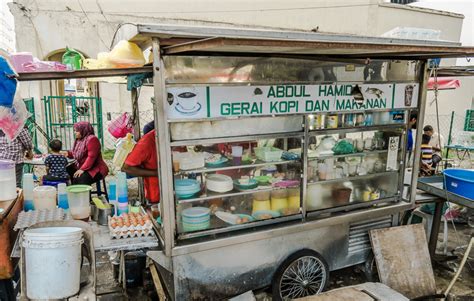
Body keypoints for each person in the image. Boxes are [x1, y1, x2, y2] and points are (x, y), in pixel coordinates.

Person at [122, 129, 159, 204]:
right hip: (156, 193)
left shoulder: (179, 135)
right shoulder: (147, 142)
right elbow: (126, 168)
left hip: (179, 190)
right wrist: (158, 173)